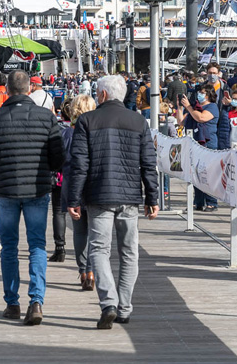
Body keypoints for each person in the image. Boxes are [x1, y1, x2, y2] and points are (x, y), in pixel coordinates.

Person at [66, 75, 159, 330]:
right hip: (130, 197)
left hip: (99, 196)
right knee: (129, 252)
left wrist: (73, 198)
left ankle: (108, 303)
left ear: (103, 95)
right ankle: (125, 308)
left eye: (97, 93)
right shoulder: (139, 121)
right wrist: (153, 197)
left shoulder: (86, 120)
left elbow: (79, 165)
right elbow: (148, 164)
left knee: (99, 250)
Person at [0, 71, 64, 325]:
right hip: (37, 189)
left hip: (5, 190)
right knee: (37, 244)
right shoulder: (46, 116)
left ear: (7, 90)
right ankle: (36, 301)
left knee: (10, 248)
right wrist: (46, 172)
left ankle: (12, 303)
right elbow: (58, 157)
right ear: (29, 90)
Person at [60, 94, 97, 291]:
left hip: (71, 183)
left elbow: (60, 160)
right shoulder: (96, 132)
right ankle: (91, 271)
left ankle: (83, 271)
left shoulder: (67, 134)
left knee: (79, 231)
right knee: (94, 231)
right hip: (92, 185)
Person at [181, 84, 220, 211]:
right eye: (199, 92)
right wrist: (181, 107)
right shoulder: (195, 107)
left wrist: (189, 107)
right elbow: (181, 122)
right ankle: (198, 202)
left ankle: (211, 202)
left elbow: (201, 118)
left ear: (208, 94)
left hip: (208, 144)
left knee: (208, 173)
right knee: (196, 173)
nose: (200, 95)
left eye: (203, 92)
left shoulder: (212, 107)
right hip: (195, 143)